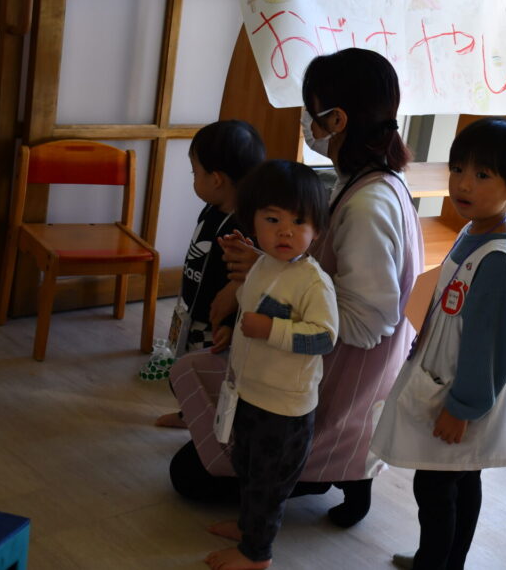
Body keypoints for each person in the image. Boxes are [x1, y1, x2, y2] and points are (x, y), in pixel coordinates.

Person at [195, 47, 424, 527]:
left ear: (336, 120)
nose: (306, 122)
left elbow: (365, 323)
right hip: (335, 369)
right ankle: (341, 473)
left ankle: (323, 471)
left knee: (192, 472)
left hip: (338, 375)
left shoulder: (368, 205)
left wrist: (273, 272)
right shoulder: (368, 181)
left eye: (311, 111)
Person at [370, 117, 506, 570]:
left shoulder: (496, 259)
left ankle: (435, 563)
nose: (463, 183)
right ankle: (447, 562)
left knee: (435, 487)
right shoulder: (473, 232)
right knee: (460, 481)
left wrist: (463, 407)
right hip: (448, 385)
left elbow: (489, 346)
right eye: (458, 168)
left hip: (462, 400)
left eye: (482, 175)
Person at [204, 159, 338, 570]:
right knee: (246, 467)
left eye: (299, 221)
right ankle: (249, 527)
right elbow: (251, 312)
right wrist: (234, 333)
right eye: (273, 219)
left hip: (285, 408)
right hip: (250, 392)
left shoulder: (313, 282)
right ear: (253, 220)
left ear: (317, 229)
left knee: (269, 481)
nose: (285, 231)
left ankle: (257, 554)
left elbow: (324, 337)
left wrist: (272, 329)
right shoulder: (263, 264)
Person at [154, 120, 265, 425]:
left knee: (201, 372)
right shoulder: (212, 208)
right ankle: (188, 412)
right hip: (192, 311)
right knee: (182, 365)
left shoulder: (242, 227)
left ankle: (202, 423)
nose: (194, 179)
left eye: (195, 173)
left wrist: (228, 323)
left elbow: (241, 283)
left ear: (216, 179)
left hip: (212, 321)